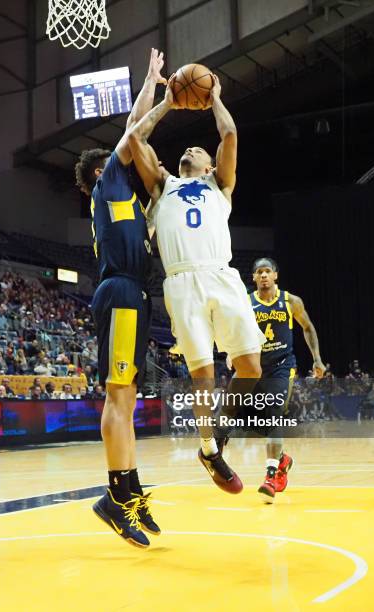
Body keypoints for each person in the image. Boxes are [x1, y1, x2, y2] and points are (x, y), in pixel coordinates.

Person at [128, 74, 265, 493]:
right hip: (182, 282)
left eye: (198, 150)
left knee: (250, 368)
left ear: (209, 165)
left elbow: (229, 133)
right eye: (187, 148)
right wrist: (168, 102)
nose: (190, 148)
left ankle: (219, 430)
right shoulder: (161, 186)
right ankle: (208, 449)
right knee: (202, 371)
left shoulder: (220, 185)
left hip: (222, 276)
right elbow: (136, 139)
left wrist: (216, 96)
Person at [75, 48, 167, 548]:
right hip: (121, 291)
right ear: (100, 171)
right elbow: (133, 131)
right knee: (119, 396)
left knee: (127, 398)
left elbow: (131, 130)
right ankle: (114, 496)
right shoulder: (108, 181)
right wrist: (165, 96)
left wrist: (151, 79)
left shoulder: (127, 197)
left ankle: (128, 490)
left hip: (134, 293)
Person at [248, 257, 325, 502]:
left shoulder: (290, 301)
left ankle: (271, 475)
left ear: (275, 275)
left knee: (273, 415)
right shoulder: (246, 303)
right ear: (253, 277)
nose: (263, 275)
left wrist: (317, 359)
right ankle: (282, 460)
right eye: (258, 272)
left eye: (267, 271)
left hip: (283, 367)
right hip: (256, 370)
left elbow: (308, 327)